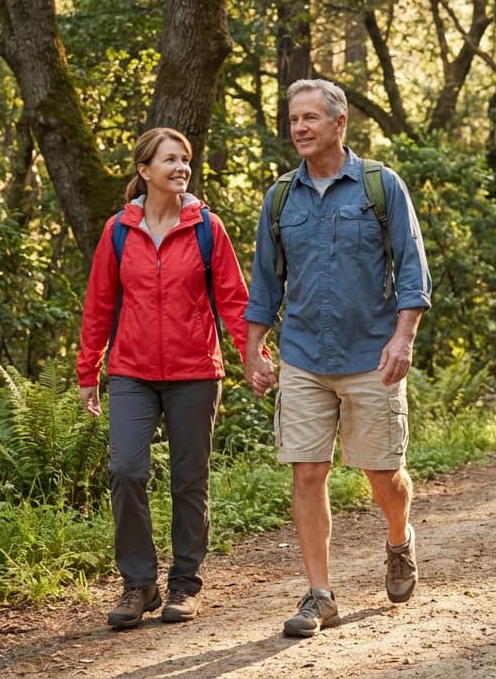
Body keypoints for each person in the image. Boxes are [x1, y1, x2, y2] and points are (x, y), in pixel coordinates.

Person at [243, 79, 432, 638]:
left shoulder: (380, 186)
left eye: (309, 118)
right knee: (307, 471)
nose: (299, 128)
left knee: (382, 476)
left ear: (338, 122)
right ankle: (319, 594)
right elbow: (264, 283)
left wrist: (403, 338)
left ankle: (399, 540)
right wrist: (253, 348)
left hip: (372, 356)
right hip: (303, 354)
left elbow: (413, 272)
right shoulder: (280, 197)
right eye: (293, 119)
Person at [77, 127, 256, 630]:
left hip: (195, 370)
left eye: (186, 160)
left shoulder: (206, 228)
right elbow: (98, 306)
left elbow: (234, 301)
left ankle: (184, 584)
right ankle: (139, 582)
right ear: (144, 170)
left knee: (188, 479)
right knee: (127, 470)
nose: (181, 167)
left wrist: (253, 355)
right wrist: (87, 369)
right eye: (170, 160)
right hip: (131, 370)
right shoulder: (119, 230)